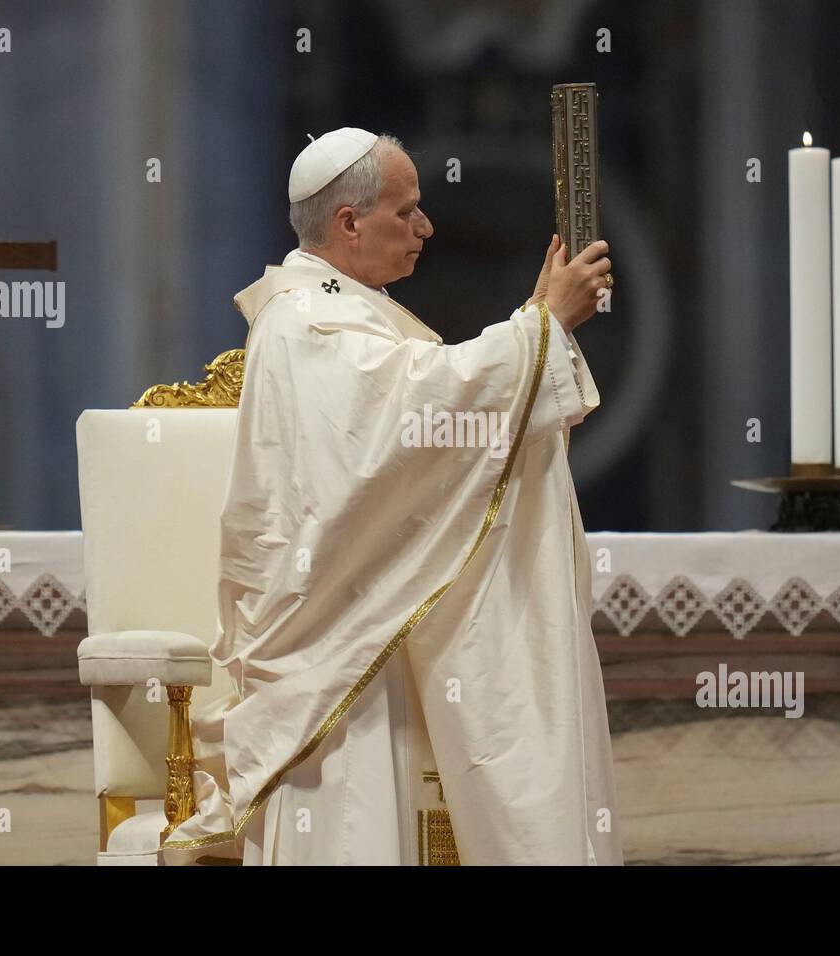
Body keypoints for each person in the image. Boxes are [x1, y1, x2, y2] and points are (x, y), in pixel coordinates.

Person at [162, 127, 622, 865]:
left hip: (370, 631)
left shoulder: (349, 310)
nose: (426, 227)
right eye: (407, 211)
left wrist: (533, 324)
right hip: (340, 651)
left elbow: (431, 419)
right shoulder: (308, 320)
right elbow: (411, 420)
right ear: (349, 221)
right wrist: (542, 330)